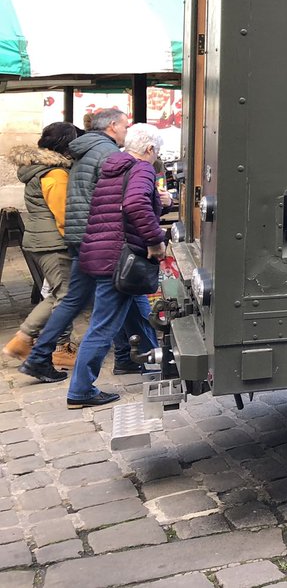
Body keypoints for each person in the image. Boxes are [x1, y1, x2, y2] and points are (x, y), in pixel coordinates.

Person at [18, 108, 147, 382]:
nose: (127, 130)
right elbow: (122, 198)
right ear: (113, 126)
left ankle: (41, 356)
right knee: (111, 305)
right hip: (102, 238)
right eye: (125, 125)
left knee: (76, 301)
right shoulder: (107, 154)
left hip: (81, 238)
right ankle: (86, 383)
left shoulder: (82, 151)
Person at [63, 124, 166, 408]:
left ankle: (148, 361)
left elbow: (119, 204)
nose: (156, 157)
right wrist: (156, 240)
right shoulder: (143, 168)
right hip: (121, 259)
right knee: (103, 325)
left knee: (138, 310)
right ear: (149, 149)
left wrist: (160, 201)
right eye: (157, 152)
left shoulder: (113, 165)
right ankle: (80, 390)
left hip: (102, 252)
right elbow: (134, 203)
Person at [2, 123, 81, 364]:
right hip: (53, 244)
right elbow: (64, 216)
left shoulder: (37, 169)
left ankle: (28, 341)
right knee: (65, 297)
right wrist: (79, 243)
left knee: (59, 294)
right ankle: (39, 344)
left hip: (41, 240)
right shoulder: (55, 174)